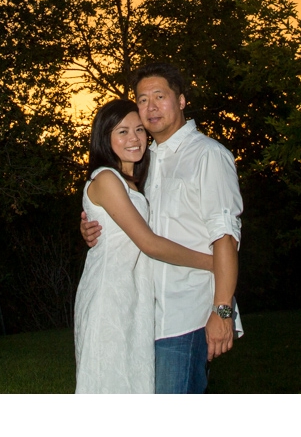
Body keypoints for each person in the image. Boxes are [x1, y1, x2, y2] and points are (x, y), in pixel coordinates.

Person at [80, 63, 244, 394]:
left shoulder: (208, 156)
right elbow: (124, 218)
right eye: (143, 99)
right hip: (142, 315)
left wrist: (223, 310)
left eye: (160, 96)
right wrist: (91, 226)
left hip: (187, 314)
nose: (151, 107)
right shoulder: (144, 161)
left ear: (181, 101)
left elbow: (224, 237)